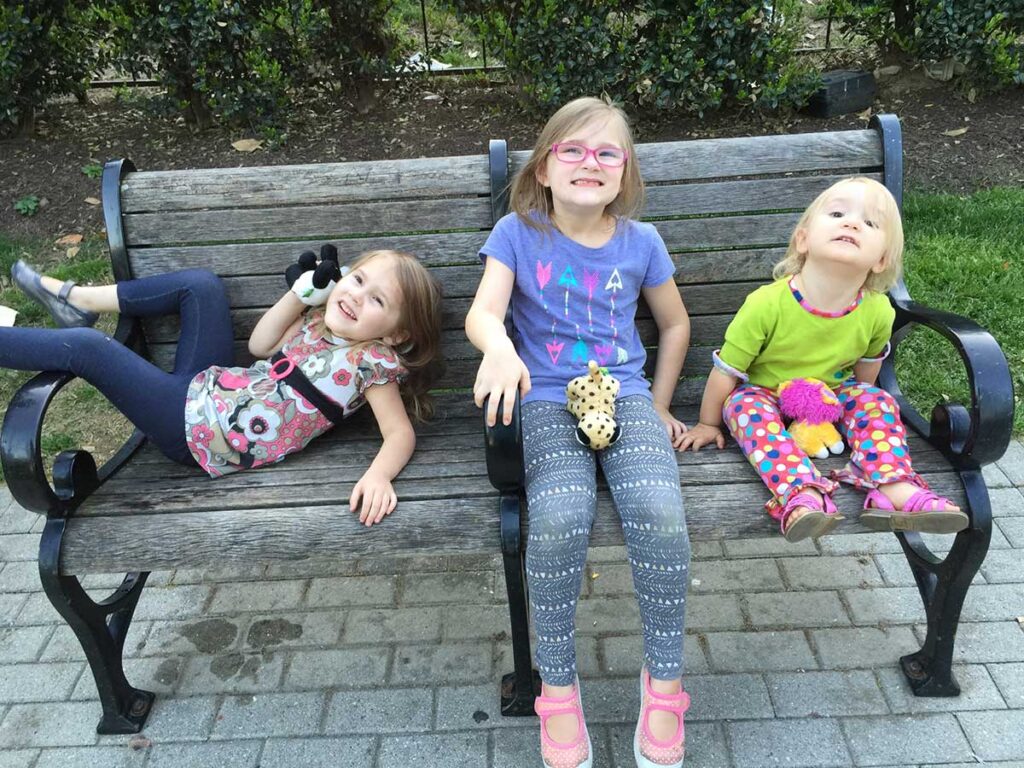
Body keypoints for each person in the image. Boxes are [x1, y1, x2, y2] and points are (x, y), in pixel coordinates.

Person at [466, 96, 692, 768]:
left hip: (623, 396)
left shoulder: (641, 243)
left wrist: (657, 402)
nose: (588, 162)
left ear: (625, 173)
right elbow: (484, 312)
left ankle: (666, 685)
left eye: (606, 153)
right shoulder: (516, 232)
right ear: (543, 167)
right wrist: (500, 350)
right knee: (561, 516)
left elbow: (675, 324)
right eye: (572, 149)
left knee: (659, 513)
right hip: (542, 400)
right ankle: (556, 691)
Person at [3, 249, 442, 526]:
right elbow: (260, 345)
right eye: (358, 280)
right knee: (201, 287)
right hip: (210, 389)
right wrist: (302, 294)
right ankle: (79, 300)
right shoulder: (317, 321)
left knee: (86, 349)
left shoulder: (369, 363)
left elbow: (400, 434)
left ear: (395, 336)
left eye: (378, 301)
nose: (356, 297)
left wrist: (379, 476)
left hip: (199, 433)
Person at [679, 177, 967, 541]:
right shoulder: (766, 304)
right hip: (765, 393)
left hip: (831, 393)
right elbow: (727, 371)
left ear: (881, 260)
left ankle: (892, 486)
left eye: (870, 223)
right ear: (803, 239)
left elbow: (867, 370)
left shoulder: (877, 310)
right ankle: (802, 494)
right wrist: (707, 424)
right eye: (837, 213)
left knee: (876, 399)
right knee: (741, 406)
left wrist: (854, 414)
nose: (851, 223)